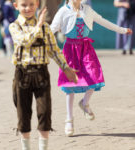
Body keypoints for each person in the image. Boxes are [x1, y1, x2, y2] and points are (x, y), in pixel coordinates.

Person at [50, 0, 132, 136]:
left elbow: (104, 22)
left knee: (94, 77)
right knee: (70, 84)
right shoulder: (63, 11)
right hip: (70, 50)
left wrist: (122, 30)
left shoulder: (87, 10)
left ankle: (84, 103)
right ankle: (69, 119)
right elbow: (51, 29)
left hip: (86, 49)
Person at [9, 0, 78, 149]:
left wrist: (66, 68)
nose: (28, 8)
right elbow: (24, 41)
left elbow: (54, 50)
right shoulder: (14, 26)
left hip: (41, 74)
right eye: (24, 5)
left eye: (31, 5)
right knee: (23, 114)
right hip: (22, 75)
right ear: (16, 6)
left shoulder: (46, 28)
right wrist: (38, 25)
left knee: (45, 113)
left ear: (37, 4)